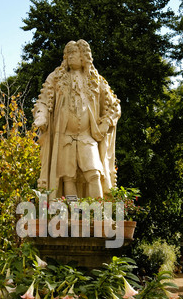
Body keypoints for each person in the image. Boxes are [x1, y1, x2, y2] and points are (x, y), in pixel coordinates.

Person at [33, 39, 121, 199]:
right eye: (68, 53)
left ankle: (99, 214)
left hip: (87, 137)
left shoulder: (96, 80)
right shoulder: (55, 78)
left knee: (94, 173)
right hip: (64, 137)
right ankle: (72, 212)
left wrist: (106, 122)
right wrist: (41, 115)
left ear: (83, 56)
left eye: (74, 53)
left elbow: (115, 106)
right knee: (68, 177)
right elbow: (43, 100)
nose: (69, 57)